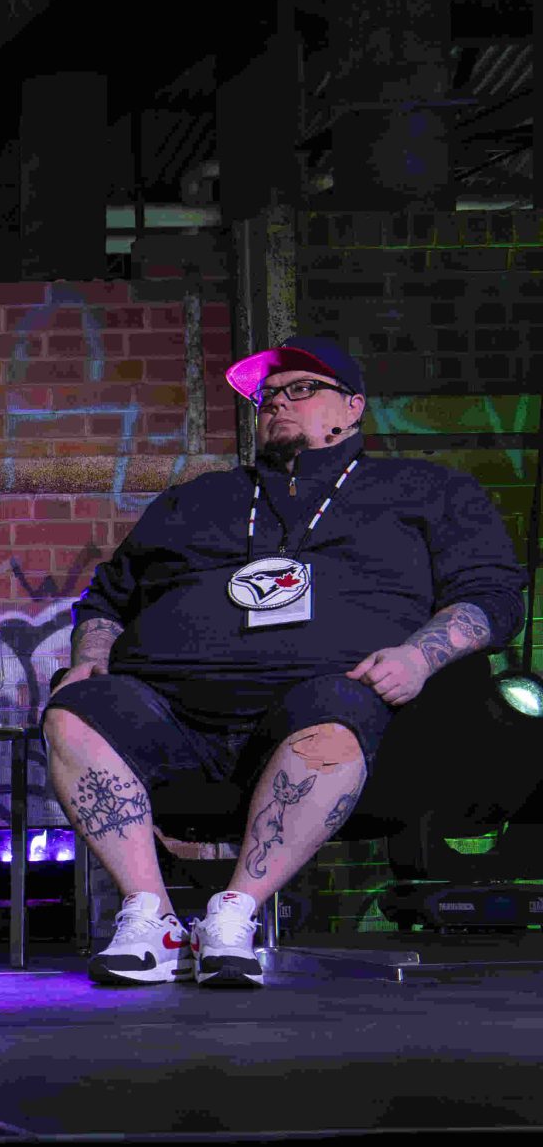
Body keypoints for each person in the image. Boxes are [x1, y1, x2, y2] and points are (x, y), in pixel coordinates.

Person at [47, 335, 523, 988]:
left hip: (344, 717)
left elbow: (491, 597)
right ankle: (149, 911)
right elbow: (105, 598)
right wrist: (89, 658)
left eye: (299, 388)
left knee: (332, 712)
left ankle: (233, 913)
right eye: (267, 396)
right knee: (74, 714)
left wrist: (418, 656)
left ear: (351, 407)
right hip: (180, 724)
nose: (276, 403)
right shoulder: (198, 500)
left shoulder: (425, 489)